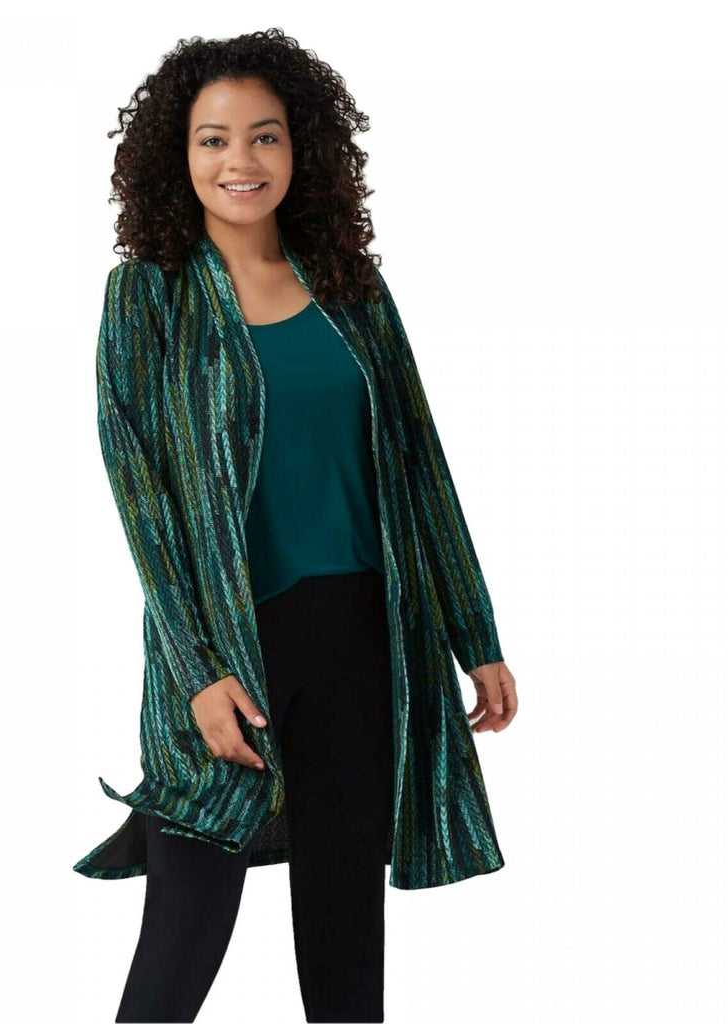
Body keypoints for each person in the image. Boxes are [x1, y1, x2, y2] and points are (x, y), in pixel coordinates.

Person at [74, 28, 519, 1024]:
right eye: (214, 139)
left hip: (360, 634)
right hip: (229, 649)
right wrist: (197, 672)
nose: (241, 161)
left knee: (343, 920)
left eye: (264, 136)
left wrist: (475, 635)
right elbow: (142, 498)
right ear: (178, 155)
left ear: (299, 147)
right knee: (183, 934)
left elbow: (420, 467)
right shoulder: (147, 295)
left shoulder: (351, 289)